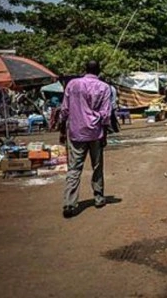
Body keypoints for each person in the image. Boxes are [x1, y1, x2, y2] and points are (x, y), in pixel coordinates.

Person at [60, 60, 113, 219]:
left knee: (74, 168)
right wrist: (105, 134)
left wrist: (62, 130)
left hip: (76, 131)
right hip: (95, 132)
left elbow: (65, 109)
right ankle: (98, 197)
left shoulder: (72, 84)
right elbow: (106, 114)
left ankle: (69, 203)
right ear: (99, 70)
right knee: (97, 166)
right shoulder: (104, 87)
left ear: (85, 69)